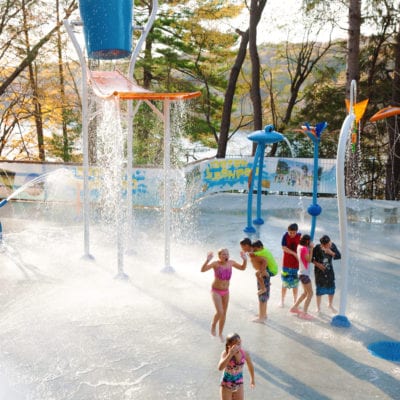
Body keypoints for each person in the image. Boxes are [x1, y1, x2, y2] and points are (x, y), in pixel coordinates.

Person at [201, 248, 247, 341]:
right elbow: (203, 270)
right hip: (216, 291)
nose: (226, 256)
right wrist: (207, 260)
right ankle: (213, 325)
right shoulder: (215, 264)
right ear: (219, 256)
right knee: (220, 312)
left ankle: (221, 333)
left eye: (227, 254)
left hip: (226, 291)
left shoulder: (231, 263)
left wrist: (245, 260)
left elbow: (242, 268)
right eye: (223, 254)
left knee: (224, 313)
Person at [239, 238, 269, 323]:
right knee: (264, 296)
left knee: (262, 296)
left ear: (247, 246)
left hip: (262, 275)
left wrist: (261, 271)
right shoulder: (251, 252)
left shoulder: (253, 253)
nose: (242, 249)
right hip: (262, 275)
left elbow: (264, 260)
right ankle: (263, 314)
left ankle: (261, 317)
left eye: (242, 247)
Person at [218, 332, 255, 400]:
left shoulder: (244, 353)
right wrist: (230, 354)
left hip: (239, 383)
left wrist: (252, 379)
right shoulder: (225, 353)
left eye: (239, 343)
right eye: (235, 345)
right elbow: (220, 368)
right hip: (226, 384)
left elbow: (250, 365)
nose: (238, 346)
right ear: (229, 345)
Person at [312, 234, 341, 313]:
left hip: (329, 271)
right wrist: (318, 264)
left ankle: (330, 304)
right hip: (319, 272)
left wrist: (331, 252)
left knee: (331, 288)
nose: (329, 245)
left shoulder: (332, 246)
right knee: (319, 290)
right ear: (322, 245)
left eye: (329, 243)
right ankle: (318, 307)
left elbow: (339, 256)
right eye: (327, 245)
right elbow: (310, 258)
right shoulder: (317, 248)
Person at [290, 234, 314, 320]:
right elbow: (309, 260)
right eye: (310, 241)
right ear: (307, 241)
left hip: (301, 273)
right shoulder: (304, 249)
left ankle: (294, 308)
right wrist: (311, 249)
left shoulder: (299, 246)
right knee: (310, 293)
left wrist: (308, 248)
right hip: (304, 274)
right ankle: (304, 313)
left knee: (305, 293)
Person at [280, 223, 301, 307]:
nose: (292, 234)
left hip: (296, 265)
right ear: (288, 231)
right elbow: (284, 247)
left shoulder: (300, 236)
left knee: (295, 284)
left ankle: (295, 301)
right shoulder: (285, 236)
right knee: (285, 283)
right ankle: (282, 301)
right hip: (286, 264)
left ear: (296, 231)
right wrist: (294, 254)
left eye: (293, 233)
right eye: (290, 232)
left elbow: (307, 245)